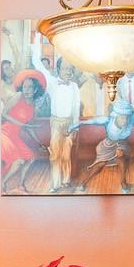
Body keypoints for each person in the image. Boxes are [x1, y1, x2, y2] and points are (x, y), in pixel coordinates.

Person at [0, 70, 50, 194]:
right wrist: (21, 124)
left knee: (31, 158)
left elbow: (28, 127)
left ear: (35, 90)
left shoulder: (33, 107)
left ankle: (21, 185)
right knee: (19, 161)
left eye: (30, 87)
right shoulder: (18, 97)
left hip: (15, 136)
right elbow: (4, 114)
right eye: (24, 86)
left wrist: (39, 143)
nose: (26, 90)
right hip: (4, 133)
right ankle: (2, 183)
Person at [43, 58, 86, 191]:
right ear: (58, 70)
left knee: (66, 154)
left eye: (70, 69)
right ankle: (55, 184)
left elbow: (76, 106)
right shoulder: (52, 83)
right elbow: (40, 68)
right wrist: (34, 48)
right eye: (65, 68)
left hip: (69, 123)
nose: (68, 71)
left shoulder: (74, 86)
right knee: (55, 154)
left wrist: (74, 126)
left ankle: (65, 180)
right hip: (56, 122)